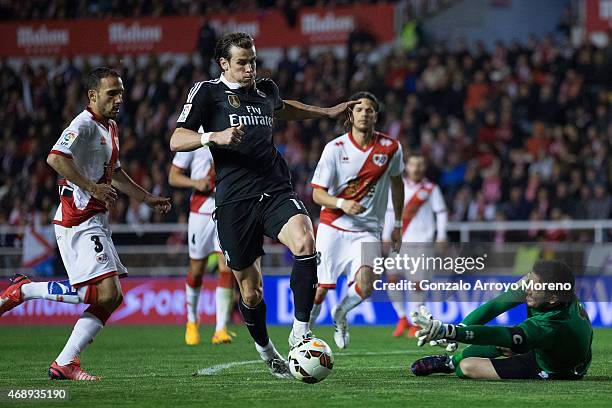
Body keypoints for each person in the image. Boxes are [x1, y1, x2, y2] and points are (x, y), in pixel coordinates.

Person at [169, 32, 355, 378]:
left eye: (253, 61)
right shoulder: (208, 92)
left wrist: (326, 112)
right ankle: (266, 349)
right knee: (251, 291)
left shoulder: (265, 90)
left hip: (274, 187)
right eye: (242, 62)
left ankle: (301, 330)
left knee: (305, 241)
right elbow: (176, 139)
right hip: (234, 201)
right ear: (224, 64)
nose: (250, 68)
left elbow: (286, 110)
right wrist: (213, 137)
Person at [0, 67, 171, 380]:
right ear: (93, 96)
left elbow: (114, 172)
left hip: (95, 218)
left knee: (112, 296)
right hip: (77, 219)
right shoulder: (82, 124)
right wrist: (92, 188)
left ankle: (65, 362)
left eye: (121, 92)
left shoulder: (110, 127)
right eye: (112, 93)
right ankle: (25, 291)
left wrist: (146, 198)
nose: (119, 99)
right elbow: (55, 158)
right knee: (106, 292)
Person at [308, 91, 405, 349]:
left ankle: (340, 314)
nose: (364, 113)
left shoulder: (391, 148)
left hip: (368, 229)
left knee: (367, 285)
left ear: (376, 116)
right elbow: (317, 194)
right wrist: (342, 203)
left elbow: (397, 184)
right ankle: (303, 337)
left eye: (369, 110)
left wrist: (397, 224)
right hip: (333, 226)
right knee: (320, 289)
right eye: (359, 109)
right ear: (349, 115)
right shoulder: (335, 149)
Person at [410, 260, 593, 380]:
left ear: (552, 298)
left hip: (558, 369)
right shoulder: (555, 293)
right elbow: (497, 305)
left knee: (466, 367)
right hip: (559, 350)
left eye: (533, 285)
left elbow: (498, 334)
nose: (527, 288)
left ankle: (454, 364)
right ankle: (449, 362)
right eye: (529, 280)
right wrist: (461, 328)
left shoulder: (550, 324)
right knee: (510, 342)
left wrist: (450, 332)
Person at [169, 145, 236, 345]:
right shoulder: (193, 137)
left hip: (226, 209)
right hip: (201, 211)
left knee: (227, 268)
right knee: (197, 269)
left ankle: (221, 328)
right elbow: (173, 176)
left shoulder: (231, 130)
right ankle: (192, 322)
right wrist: (196, 182)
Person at [381, 153, 447, 338]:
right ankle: (402, 318)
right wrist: (386, 235)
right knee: (392, 281)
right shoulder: (396, 186)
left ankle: (417, 322)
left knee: (417, 284)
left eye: (420, 165)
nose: (416, 168)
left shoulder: (431, 188)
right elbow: (389, 212)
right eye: (413, 164)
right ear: (406, 167)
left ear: (423, 168)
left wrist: (441, 235)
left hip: (422, 243)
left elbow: (441, 212)